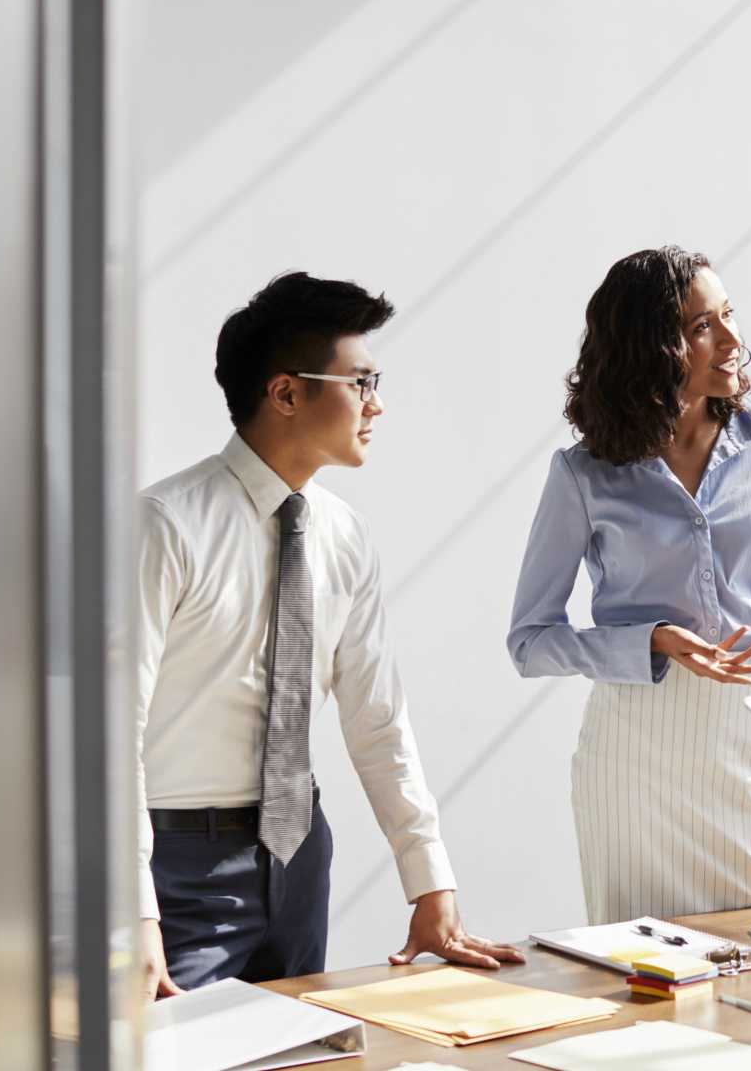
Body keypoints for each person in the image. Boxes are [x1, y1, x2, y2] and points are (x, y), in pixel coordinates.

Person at [136, 272, 523, 999]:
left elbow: (378, 719)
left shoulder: (344, 534)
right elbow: (107, 734)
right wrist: (132, 914)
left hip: (299, 854)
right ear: (285, 393)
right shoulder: (163, 526)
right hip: (176, 870)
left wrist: (428, 880)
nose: (378, 404)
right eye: (362, 381)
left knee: (303, 1053)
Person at [507, 245, 751, 925]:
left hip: (743, 735)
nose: (733, 340)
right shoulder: (584, 474)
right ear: (650, 347)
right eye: (701, 327)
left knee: (748, 951)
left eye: (729, 316)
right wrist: (651, 641)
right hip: (631, 748)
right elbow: (530, 641)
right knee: (630, 965)